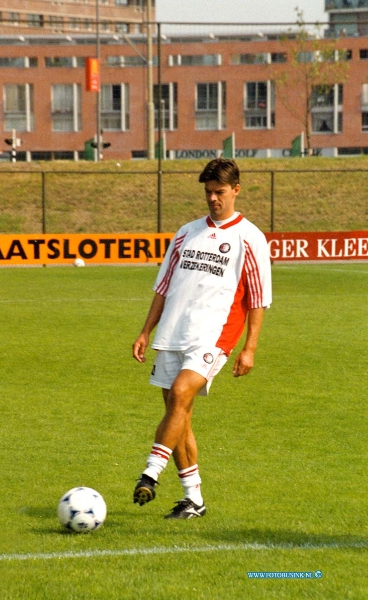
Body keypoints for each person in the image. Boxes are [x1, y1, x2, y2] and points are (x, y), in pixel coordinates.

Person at [132, 158, 272, 519]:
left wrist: (250, 348)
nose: (212, 199)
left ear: (236, 190)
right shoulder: (186, 232)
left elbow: (258, 298)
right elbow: (163, 287)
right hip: (172, 332)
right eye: (208, 192)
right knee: (179, 415)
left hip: (214, 335)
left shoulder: (250, 238)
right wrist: (146, 331)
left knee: (180, 394)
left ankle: (150, 472)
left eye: (219, 192)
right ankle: (193, 500)